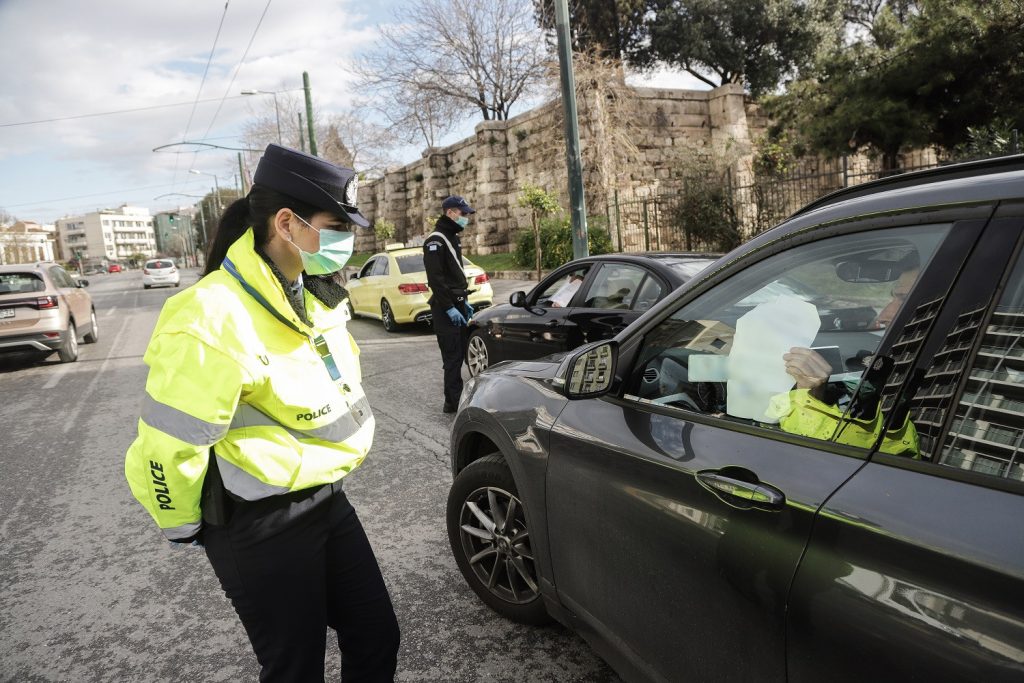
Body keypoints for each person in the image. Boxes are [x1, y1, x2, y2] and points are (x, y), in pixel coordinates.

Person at [124, 143, 400, 682]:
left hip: (326, 500)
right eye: (336, 224)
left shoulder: (313, 294)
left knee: (376, 636)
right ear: (286, 223)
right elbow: (169, 443)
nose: (348, 238)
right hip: (259, 521)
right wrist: (180, 523)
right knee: (295, 668)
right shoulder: (211, 314)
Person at [774, 267, 923, 456]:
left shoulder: (929, 389)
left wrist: (809, 398)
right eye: (893, 298)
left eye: (904, 299)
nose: (883, 316)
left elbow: (820, 458)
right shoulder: (917, 369)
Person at [423, 195, 476, 413]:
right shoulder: (435, 240)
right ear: (450, 213)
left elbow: (454, 274)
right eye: (463, 213)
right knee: (453, 357)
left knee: (462, 352)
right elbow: (436, 279)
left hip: (458, 303)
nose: (466, 218)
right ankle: (453, 403)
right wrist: (449, 307)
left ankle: (460, 397)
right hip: (446, 308)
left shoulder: (452, 236)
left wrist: (465, 301)